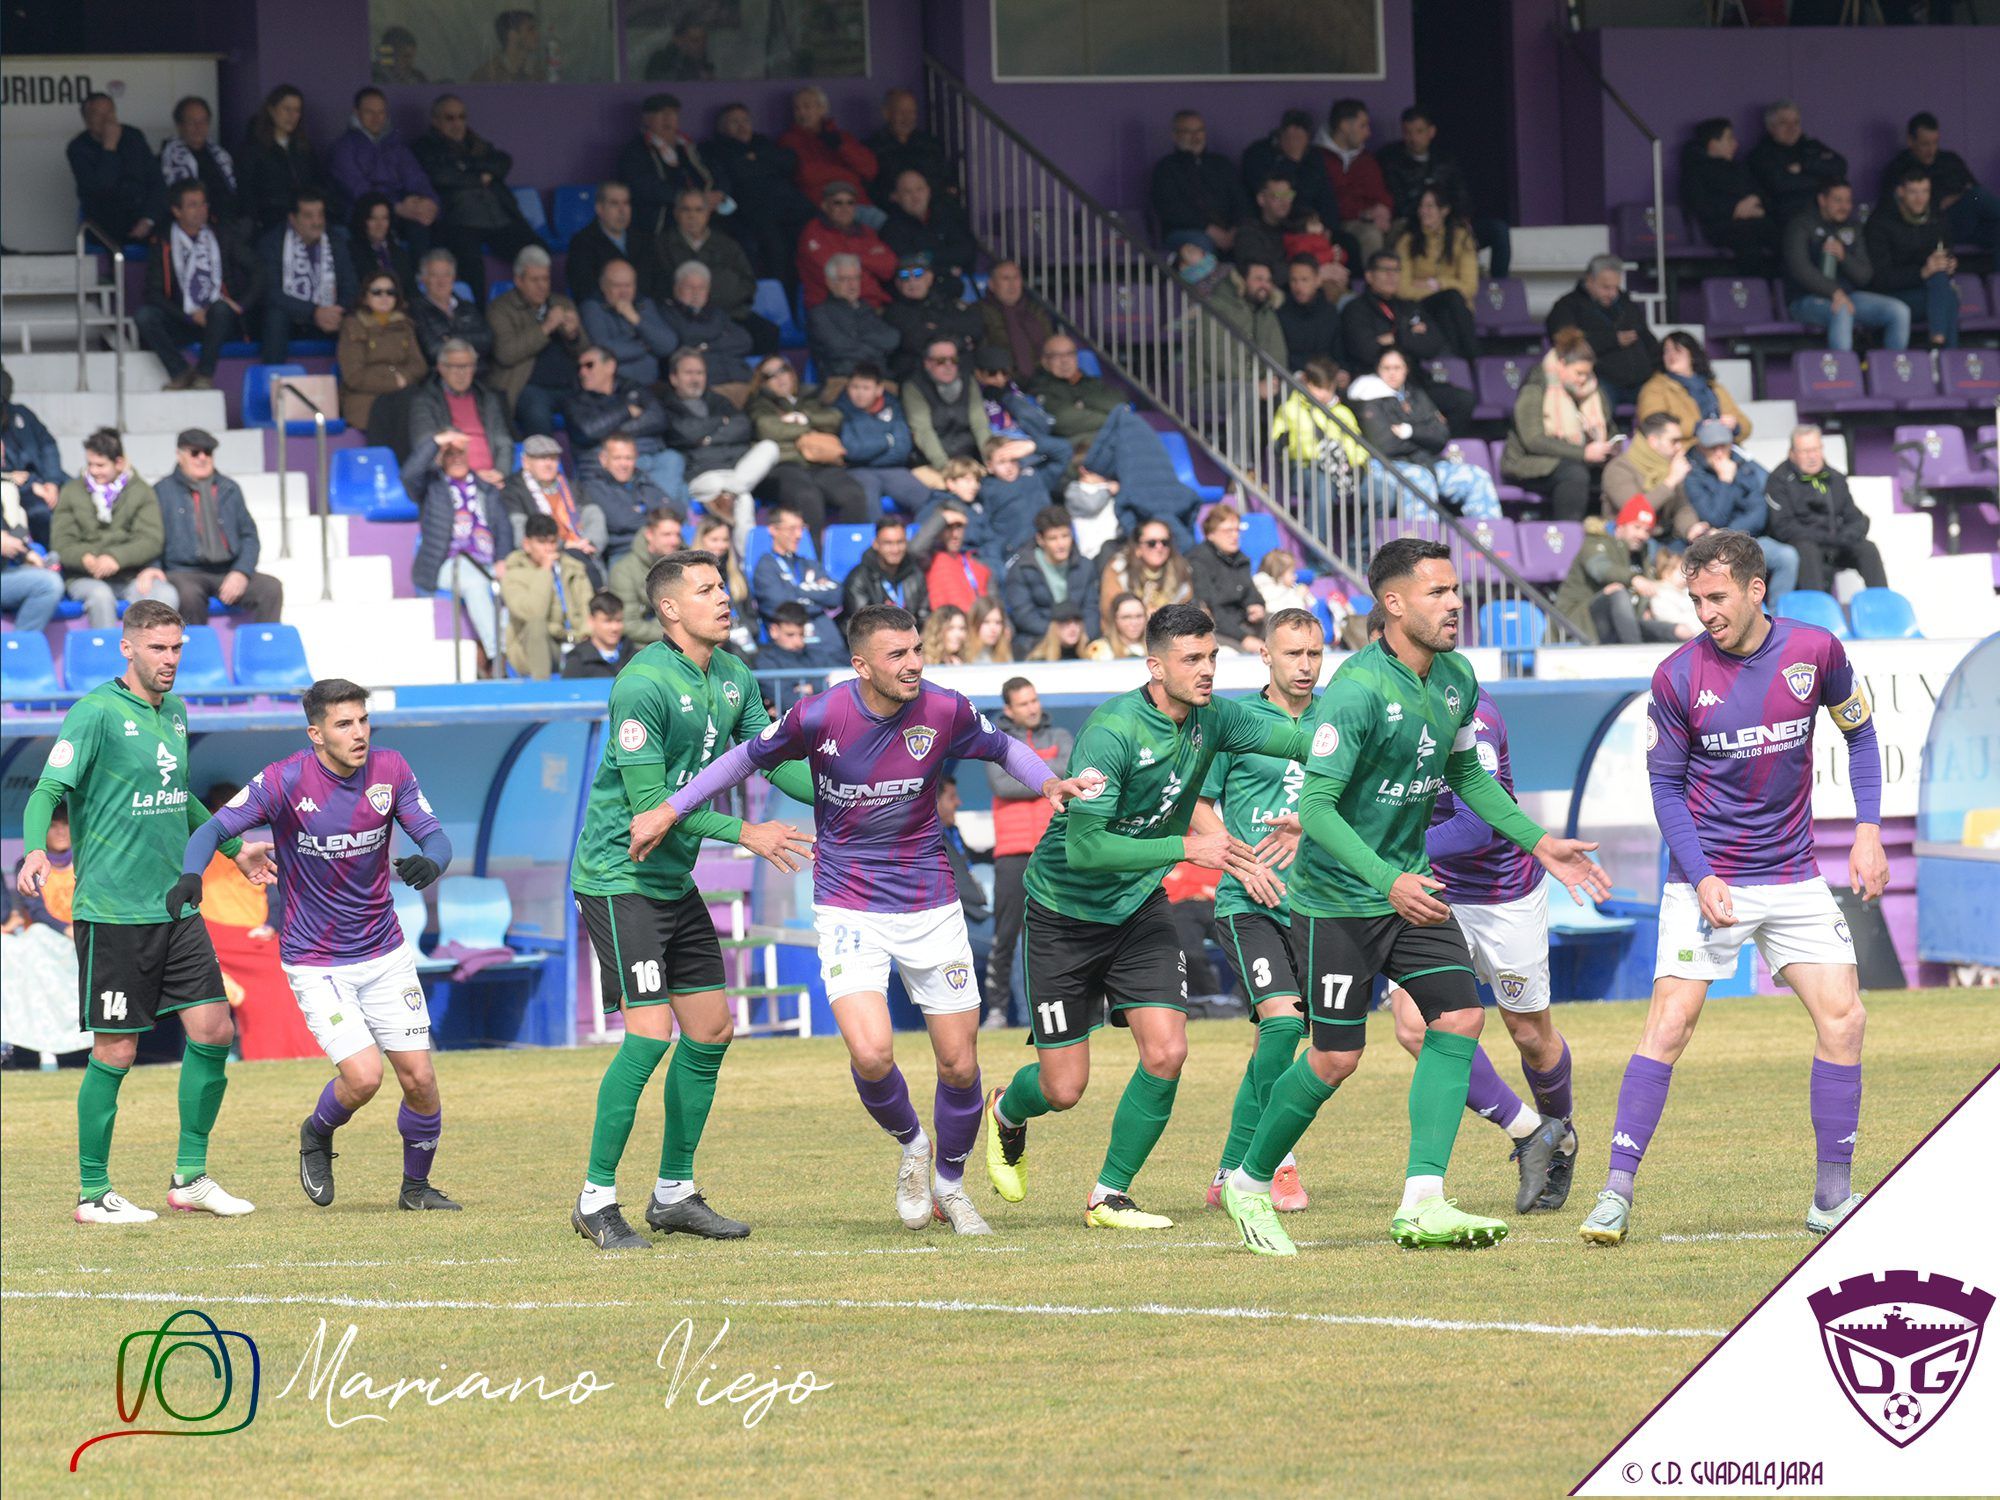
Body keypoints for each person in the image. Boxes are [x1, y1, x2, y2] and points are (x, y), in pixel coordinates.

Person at [1219, 538, 1608, 1257]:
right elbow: (1321, 810)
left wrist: (1536, 840)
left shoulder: (1458, 677)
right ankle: (1246, 1182)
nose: (1455, 603)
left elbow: (1470, 775)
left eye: (1454, 590)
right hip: (1338, 900)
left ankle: (1423, 1201)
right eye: (1436, 592)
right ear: (1393, 604)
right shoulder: (1358, 689)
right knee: (1335, 1058)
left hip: (1408, 893)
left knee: (1459, 1017)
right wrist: (1386, 879)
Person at [662, 604, 1088, 1233]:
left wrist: (1049, 780)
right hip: (847, 902)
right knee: (870, 1052)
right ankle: (914, 1145)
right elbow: (741, 760)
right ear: (861, 665)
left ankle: (950, 1183)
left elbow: (1003, 749)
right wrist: (670, 809)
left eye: (917, 649)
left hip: (931, 903)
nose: (913, 663)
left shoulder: (943, 709)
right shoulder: (819, 714)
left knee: (960, 1065)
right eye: (897, 654)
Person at [1580, 529, 1884, 1246]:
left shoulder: (1817, 652)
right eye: (1695, 599)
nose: (1704, 611)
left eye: (1716, 597)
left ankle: (1831, 1198)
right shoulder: (1678, 675)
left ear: (1756, 590)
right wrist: (1705, 873)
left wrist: (1868, 829)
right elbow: (1664, 785)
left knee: (1845, 1020)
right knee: (1670, 1025)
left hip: (1794, 874)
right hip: (1706, 879)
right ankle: (1614, 1195)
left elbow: (1861, 735)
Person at [983, 602, 1315, 1230]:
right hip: (1063, 914)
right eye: (1193, 659)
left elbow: (1299, 739)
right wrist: (1188, 846)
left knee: (1166, 1052)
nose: (1208, 669)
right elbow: (1085, 848)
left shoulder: (1215, 719)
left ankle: (1109, 1194)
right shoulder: (1111, 731)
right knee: (1063, 1088)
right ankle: (1004, 1110)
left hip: (1139, 910)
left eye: (1213, 656)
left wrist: (1370, 744)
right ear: (1154, 666)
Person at [566, 549, 816, 1248]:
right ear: (670, 608)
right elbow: (652, 808)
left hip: (672, 882)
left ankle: (674, 1192)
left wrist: (846, 781)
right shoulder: (640, 683)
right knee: (649, 1036)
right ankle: (594, 1199)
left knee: (710, 1029)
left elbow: (774, 761)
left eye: (724, 586)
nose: (724, 597)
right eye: (706, 589)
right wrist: (748, 833)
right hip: (620, 878)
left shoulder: (735, 675)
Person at [17, 600, 275, 1223]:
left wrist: (235, 849)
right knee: (116, 1053)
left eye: (178, 649)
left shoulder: (178, 713)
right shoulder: (96, 713)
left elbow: (176, 795)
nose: (170, 661)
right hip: (113, 912)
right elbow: (50, 788)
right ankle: (92, 1192)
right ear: (127, 648)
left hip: (175, 907)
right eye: (158, 649)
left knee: (214, 1031)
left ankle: (190, 1177)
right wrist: (32, 849)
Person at [180, 679, 457, 1211]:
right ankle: (316, 1132)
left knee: (420, 1078)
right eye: (344, 724)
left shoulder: (391, 769)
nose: (359, 734)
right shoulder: (283, 781)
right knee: (363, 1077)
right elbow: (208, 832)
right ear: (316, 734)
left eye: (363, 720)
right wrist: (193, 877)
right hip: (316, 960)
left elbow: (435, 836)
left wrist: (432, 861)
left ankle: (416, 1189)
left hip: (385, 951)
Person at [1383, 652, 1580, 1213]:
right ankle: (1527, 1133)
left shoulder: (1475, 716)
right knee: (1416, 1027)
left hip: (1502, 894)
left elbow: (1476, 822)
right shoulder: (1383, 711)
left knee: (1529, 1035)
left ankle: (1558, 1134)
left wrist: (1387, 851)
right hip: (1430, 893)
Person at [1198, 609, 1323, 1212]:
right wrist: (1238, 861)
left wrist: (1311, 829)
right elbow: (1198, 804)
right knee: (1281, 1023)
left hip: (1320, 903)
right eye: (1293, 654)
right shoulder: (1238, 721)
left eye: (1315, 654)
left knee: (1287, 1041)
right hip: (1248, 901)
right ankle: (1273, 1165)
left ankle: (1229, 1170)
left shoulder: (1335, 719)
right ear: (1266, 658)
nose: (1305, 666)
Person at [983, 679, 1070, 1027]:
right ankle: (998, 1010)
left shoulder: (1060, 736)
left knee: (1072, 929)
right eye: (1024, 704)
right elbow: (1001, 783)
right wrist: (1049, 778)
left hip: (1057, 851)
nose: (1032, 708)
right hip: (1013, 854)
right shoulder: (997, 742)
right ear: (1009, 710)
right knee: (1005, 936)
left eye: (1034, 700)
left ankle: (1089, 1004)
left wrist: (1027, 773)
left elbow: (1073, 770)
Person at [410, 94, 537, 304]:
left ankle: (537, 310)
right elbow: (441, 176)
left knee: (536, 250)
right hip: (458, 222)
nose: (457, 123)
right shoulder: (425, 146)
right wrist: (481, 175)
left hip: (499, 220)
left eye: (461, 117)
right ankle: (478, 317)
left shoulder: (476, 144)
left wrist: (467, 169)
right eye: (450, 118)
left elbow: (503, 161)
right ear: (435, 120)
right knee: (471, 264)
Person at [1349, 347, 1499, 524]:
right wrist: (1425, 437)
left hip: (1427, 463)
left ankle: (1487, 545)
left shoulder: (1416, 395)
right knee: (1421, 480)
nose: (1392, 373)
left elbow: (1441, 435)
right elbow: (1385, 445)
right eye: (1386, 368)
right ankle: (1422, 549)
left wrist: (1409, 432)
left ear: (1406, 369)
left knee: (1477, 477)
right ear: (1378, 369)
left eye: (1397, 368)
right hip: (1387, 466)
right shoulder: (1367, 397)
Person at [404, 426, 513, 666]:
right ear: (441, 458)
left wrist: (503, 558)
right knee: (475, 582)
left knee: (522, 582)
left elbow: (504, 528)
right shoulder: (431, 486)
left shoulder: (486, 488)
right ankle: (499, 656)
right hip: (447, 564)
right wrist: (437, 441)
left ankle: (524, 654)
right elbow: (409, 474)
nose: (456, 459)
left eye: (460, 454)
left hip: (488, 562)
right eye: (449, 454)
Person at [136, 181, 256, 392]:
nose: (201, 211)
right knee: (145, 316)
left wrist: (242, 305)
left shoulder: (221, 235)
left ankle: (203, 375)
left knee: (220, 309)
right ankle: (181, 372)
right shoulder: (163, 241)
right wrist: (190, 316)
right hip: (182, 319)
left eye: (203, 204)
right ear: (176, 211)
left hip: (218, 321)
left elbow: (259, 270)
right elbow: (153, 293)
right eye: (192, 205)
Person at [154, 429, 284, 623]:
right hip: (184, 571)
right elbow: (153, 536)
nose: (202, 458)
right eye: (195, 452)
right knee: (188, 595)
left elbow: (249, 536)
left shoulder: (229, 489)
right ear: (179, 455)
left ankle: (264, 649)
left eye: (208, 452)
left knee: (271, 588)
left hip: (227, 569)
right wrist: (153, 567)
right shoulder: (162, 491)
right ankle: (196, 652)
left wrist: (241, 572)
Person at [1337, 252, 1475, 431]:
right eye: (1385, 270)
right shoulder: (1355, 309)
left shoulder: (1408, 306)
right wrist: (1409, 335)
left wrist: (1394, 337)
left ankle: (1436, 447)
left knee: (1463, 400)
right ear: (1369, 276)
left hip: (1414, 383)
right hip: (1375, 382)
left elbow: (1433, 344)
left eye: (1396, 270)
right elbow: (1366, 350)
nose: (1391, 276)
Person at [52, 429, 178, 626]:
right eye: (90, 464)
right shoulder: (72, 491)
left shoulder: (141, 491)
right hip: (83, 576)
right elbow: (61, 542)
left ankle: (150, 655)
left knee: (165, 595)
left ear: (119, 463)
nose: (93, 471)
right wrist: (85, 558)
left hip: (131, 575)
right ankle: (109, 656)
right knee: (100, 596)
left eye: (100, 465)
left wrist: (116, 558)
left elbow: (151, 539)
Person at [1375, 105, 1510, 277]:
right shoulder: (1391, 160)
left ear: (1431, 132)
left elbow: (1462, 196)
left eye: (1419, 131)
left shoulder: (1445, 159)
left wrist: (1457, 218)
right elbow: (1399, 203)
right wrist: (1430, 215)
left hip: (1451, 223)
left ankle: (1499, 286)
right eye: (1407, 132)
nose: (1413, 138)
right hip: (1415, 226)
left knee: (1498, 230)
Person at [1501, 328, 1616, 523]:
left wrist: (1610, 447)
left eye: (1587, 374)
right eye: (1579, 373)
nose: (1583, 379)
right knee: (1574, 473)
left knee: (1618, 471)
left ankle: (1613, 538)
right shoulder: (1535, 387)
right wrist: (1583, 453)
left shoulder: (1592, 392)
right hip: (1530, 463)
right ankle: (1569, 534)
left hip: (1579, 460)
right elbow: (1533, 440)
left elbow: (1609, 427)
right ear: (1562, 364)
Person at [746, 356, 869, 536]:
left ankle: (852, 557)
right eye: (770, 375)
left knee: (854, 494)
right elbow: (768, 429)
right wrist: (809, 428)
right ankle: (814, 561)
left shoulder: (810, 397)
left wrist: (801, 419)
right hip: (783, 466)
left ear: (792, 374)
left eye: (783, 370)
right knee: (808, 498)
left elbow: (834, 419)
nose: (780, 378)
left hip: (819, 464)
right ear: (762, 382)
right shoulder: (759, 404)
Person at [1783, 181, 1907, 354]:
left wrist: (1844, 257)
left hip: (1848, 297)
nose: (1844, 206)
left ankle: (1894, 373)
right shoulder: (1802, 224)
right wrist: (1835, 293)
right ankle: (1845, 374)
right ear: (1822, 200)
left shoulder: (1853, 227)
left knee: (1899, 311)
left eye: (1848, 201)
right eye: (1837, 200)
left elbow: (1864, 275)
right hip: (1806, 300)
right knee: (1841, 310)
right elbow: (1800, 269)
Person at [1763, 426, 1888, 596]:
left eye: (1816, 449)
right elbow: (1783, 527)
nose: (1812, 456)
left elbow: (1856, 518)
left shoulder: (1835, 478)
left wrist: (1843, 537)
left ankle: (1883, 608)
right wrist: (1826, 538)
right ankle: (1817, 613)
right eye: (1805, 451)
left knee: (1867, 549)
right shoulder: (1779, 480)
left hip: (1836, 542)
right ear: (1792, 453)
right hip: (1804, 544)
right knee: (1808, 550)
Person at [662, 350, 779, 531]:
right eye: (689, 373)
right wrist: (721, 422)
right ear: (674, 378)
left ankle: (731, 493)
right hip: (702, 475)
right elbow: (684, 433)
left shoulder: (718, 401)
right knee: (744, 498)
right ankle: (733, 494)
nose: (695, 378)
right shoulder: (667, 406)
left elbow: (743, 427)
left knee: (770, 447)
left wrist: (706, 438)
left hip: (735, 471)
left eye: (700, 373)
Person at [1684, 419, 1798, 600]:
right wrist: (1725, 482)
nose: (1720, 453)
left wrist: (1729, 533)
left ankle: (1779, 619)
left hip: (1745, 538)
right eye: (1712, 448)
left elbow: (1759, 512)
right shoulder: (1693, 476)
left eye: (1724, 446)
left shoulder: (1743, 468)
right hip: (1713, 547)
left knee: (1787, 556)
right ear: (1701, 448)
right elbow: (1714, 517)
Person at [704, 102, 814, 285]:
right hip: (753, 210)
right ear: (721, 128)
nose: (742, 126)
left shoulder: (762, 142)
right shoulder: (714, 149)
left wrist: (758, 158)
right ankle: (783, 304)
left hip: (789, 204)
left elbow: (789, 162)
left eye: (745, 120)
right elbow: (737, 172)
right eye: (734, 122)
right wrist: (759, 161)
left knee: (816, 231)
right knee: (776, 248)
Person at [657, 188, 774, 352]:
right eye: (686, 209)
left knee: (766, 332)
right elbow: (662, 287)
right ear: (676, 213)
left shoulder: (726, 244)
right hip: (684, 318)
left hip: (729, 313)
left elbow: (748, 283)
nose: (692, 216)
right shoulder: (663, 245)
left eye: (699, 210)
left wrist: (718, 298)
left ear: (708, 213)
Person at [1552, 497, 1681, 645]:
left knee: (1679, 630)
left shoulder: (1642, 554)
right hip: (1578, 621)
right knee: (1616, 592)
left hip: (1626, 624)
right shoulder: (1595, 542)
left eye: (1647, 531)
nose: (1642, 535)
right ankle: (1634, 653)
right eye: (1637, 527)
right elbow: (1600, 569)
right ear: (1621, 526)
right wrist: (1634, 579)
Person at [490, 246, 586, 438]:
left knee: (594, 413)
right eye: (535, 280)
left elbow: (585, 351)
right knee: (537, 413)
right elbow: (506, 354)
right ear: (519, 281)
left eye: (546, 279)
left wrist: (573, 335)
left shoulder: (562, 303)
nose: (542, 286)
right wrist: (546, 327)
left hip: (569, 385)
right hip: (528, 388)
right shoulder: (500, 309)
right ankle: (543, 466)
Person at [326, 88, 438, 253]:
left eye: (381, 112)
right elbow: (358, 190)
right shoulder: (344, 147)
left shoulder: (396, 145)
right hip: (362, 214)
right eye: (369, 112)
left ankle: (419, 278)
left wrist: (430, 203)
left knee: (422, 226)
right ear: (356, 113)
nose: (376, 118)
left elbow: (416, 178)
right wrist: (395, 207)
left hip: (401, 211)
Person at [564, 346, 682, 499]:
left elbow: (659, 419)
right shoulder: (575, 400)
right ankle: (655, 517)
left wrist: (608, 429)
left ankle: (659, 516)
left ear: (610, 366)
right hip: (605, 465)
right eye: (579, 367)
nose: (582, 372)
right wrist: (626, 411)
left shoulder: (632, 388)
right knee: (680, 491)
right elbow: (587, 431)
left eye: (589, 365)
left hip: (649, 456)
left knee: (673, 459)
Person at [1545, 255, 1660, 413]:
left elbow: (1648, 340)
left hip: (1641, 382)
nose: (1613, 293)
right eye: (1606, 287)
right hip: (1598, 381)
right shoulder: (1567, 307)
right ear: (1589, 280)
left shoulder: (1626, 305)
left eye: (1616, 287)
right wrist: (1613, 340)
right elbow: (1568, 346)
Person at [1877, 111, 1999, 258]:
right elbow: (1894, 207)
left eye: (1935, 142)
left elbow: (1974, 191)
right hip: (1932, 226)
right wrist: (1941, 203)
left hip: (1969, 220)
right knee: (1978, 196)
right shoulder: (1899, 168)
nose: (1931, 150)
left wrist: (1957, 198)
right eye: (1925, 144)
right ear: (1910, 141)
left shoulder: (1950, 160)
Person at [1864, 166, 1960, 350]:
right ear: (1901, 192)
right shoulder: (1880, 222)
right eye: (1913, 192)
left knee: (1943, 283)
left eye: (1925, 191)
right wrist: (1923, 272)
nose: (1920, 198)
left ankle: (1938, 344)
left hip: (1927, 292)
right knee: (1949, 297)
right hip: (1888, 296)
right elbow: (1881, 279)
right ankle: (1944, 353)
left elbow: (1947, 250)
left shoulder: (1936, 218)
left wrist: (1950, 263)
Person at [257, 190, 356, 364]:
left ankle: (356, 384)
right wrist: (313, 312)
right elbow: (270, 293)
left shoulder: (336, 241)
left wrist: (338, 310)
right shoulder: (272, 243)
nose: (317, 222)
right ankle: (273, 378)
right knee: (275, 316)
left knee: (358, 317)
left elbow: (350, 285)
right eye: (309, 216)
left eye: (320, 215)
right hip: (292, 317)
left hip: (330, 316)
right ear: (293, 219)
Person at [616, 94, 723, 241]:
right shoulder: (635, 151)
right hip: (662, 223)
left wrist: (719, 195)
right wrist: (686, 199)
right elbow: (645, 187)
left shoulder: (690, 146)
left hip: (706, 218)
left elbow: (718, 173)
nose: (667, 119)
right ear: (646, 119)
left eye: (672, 114)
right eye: (661, 113)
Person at [1681, 119, 1779, 275]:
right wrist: (1734, 210)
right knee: (1748, 240)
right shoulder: (1695, 172)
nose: (1735, 144)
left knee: (1788, 236)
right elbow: (1700, 207)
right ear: (1713, 143)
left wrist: (1756, 203)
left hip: (1759, 222)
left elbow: (1763, 195)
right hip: (1722, 228)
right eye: (1729, 139)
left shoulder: (1740, 168)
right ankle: (1756, 294)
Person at [1391, 188, 1479, 361]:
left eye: (1430, 206)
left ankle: (1457, 365)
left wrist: (1436, 284)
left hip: (1454, 310)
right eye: (1421, 206)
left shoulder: (1461, 238)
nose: (1423, 211)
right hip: (1421, 306)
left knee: (1449, 306)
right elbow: (1402, 289)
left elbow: (1470, 287)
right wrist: (1444, 290)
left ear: (1444, 210)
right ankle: (1474, 359)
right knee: (1452, 297)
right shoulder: (1408, 241)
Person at [502, 433, 606, 578]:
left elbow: (593, 514)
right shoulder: (513, 490)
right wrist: (563, 546)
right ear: (526, 462)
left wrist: (590, 542)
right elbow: (520, 534)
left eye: (553, 458)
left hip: (584, 548)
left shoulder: (570, 485)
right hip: (545, 558)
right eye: (542, 458)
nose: (549, 464)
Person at [408, 339, 511, 484]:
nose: (461, 373)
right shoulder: (426, 401)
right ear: (441, 368)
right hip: (452, 482)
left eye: (467, 366)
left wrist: (500, 472)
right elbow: (425, 447)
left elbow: (503, 441)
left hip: (493, 480)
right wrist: (469, 477)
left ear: (474, 368)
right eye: (455, 367)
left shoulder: (486, 398)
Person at [501, 514, 592, 678]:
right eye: (542, 542)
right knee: (537, 625)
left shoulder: (574, 568)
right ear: (527, 545)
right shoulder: (513, 575)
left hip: (577, 642)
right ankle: (541, 691)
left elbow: (588, 604)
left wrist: (585, 632)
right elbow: (534, 613)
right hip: (536, 649)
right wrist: (544, 571)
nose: (549, 549)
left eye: (552, 542)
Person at [835, 363, 931, 513]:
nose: (859, 393)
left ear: (879, 389)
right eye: (854, 387)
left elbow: (902, 450)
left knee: (927, 499)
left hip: (894, 470)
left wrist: (867, 452)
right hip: (857, 471)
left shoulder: (894, 407)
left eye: (866, 388)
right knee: (867, 503)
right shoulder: (840, 410)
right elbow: (851, 451)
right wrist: (887, 441)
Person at [337, 271, 428, 429]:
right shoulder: (353, 325)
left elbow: (419, 365)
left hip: (402, 395)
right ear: (365, 297)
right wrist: (394, 381)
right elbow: (354, 376)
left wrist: (404, 378)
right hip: (365, 399)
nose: (384, 297)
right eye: (377, 292)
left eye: (390, 292)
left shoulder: (405, 324)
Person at [68, 92, 162, 244]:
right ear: (86, 119)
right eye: (98, 115)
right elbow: (101, 190)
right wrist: (109, 148)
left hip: (143, 216)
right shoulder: (78, 149)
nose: (107, 119)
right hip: (106, 220)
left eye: (110, 112)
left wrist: (148, 219)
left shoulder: (134, 137)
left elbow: (156, 182)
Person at [1636, 331, 1753, 453]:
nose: (1671, 355)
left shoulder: (1714, 387)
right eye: (1666, 351)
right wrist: (1698, 427)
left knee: (1760, 472)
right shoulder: (1654, 388)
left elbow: (1746, 425)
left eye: (1678, 350)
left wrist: (1735, 426)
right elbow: (1653, 424)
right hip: (1686, 452)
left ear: (1692, 354)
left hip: (1725, 448)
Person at [1148, 111, 1247, 254]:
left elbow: (1241, 201)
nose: (1195, 137)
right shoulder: (1166, 168)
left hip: (1228, 229)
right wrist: (1208, 229)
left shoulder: (1221, 164)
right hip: (1185, 233)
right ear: (1175, 136)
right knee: (1200, 242)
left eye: (1199, 130)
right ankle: (1210, 278)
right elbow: (1171, 209)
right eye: (1188, 132)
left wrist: (1235, 229)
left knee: (1250, 237)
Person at [779, 87, 881, 217]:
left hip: (858, 204)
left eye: (807, 107)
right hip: (823, 207)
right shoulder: (789, 141)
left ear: (823, 109)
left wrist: (842, 147)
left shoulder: (842, 137)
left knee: (891, 229)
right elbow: (806, 175)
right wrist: (847, 174)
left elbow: (870, 169)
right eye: (797, 108)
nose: (801, 113)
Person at [239, 84, 326, 236]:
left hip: (307, 220)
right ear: (271, 110)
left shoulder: (304, 147)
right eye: (286, 109)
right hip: (271, 223)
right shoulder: (253, 149)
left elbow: (318, 182)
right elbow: (247, 192)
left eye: (297, 110)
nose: (292, 115)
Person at [1312, 99, 1392, 260]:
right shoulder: (1316, 158)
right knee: (1370, 235)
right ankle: (1375, 284)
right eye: (1362, 126)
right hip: (1339, 223)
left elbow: (1382, 194)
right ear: (1344, 126)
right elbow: (1329, 203)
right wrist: (1363, 213)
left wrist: (1384, 210)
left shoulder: (1366, 159)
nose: (1368, 133)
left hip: (1372, 221)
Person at [798, 179, 897, 310]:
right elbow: (835, 277)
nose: (844, 208)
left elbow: (889, 266)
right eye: (837, 203)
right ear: (824, 206)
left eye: (850, 203)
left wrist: (856, 259)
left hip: (871, 306)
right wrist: (868, 262)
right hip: (830, 308)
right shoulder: (813, 231)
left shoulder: (864, 231)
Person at [1601, 412, 1699, 544]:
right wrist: (1670, 481)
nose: (1679, 447)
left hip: (1666, 537)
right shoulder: (1619, 468)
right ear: (1653, 441)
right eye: (1674, 441)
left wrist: (1692, 529)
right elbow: (1635, 512)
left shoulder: (1668, 467)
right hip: (1628, 543)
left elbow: (1682, 507)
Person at [1003, 505, 1097, 641]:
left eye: (1065, 536)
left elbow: (1091, 609)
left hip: (1079, 638)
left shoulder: (1085, 566)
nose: (1061, 544)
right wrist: (1057, 635)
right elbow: (1023, 615)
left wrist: (1082, 635)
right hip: (1040, 640)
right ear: (1041, 540)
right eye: (1053, 538)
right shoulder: (1023, 568)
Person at [1747, 100, 1848, 227]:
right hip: (1786, 221)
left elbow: (1840, 166)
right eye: (1784, 123)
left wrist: (1804, 166)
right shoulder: (1761, 155)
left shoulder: (1811, 146)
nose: (1792, 128)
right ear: (1771, 127)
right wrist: (1824, 179)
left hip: (1826, 218)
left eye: (1796, 122)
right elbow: (1781, 185)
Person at [581, 259, 678, 389]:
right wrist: (646, 346)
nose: (624, 292)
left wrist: (636, 320)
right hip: (615, 389)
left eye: (628, 285)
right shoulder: (593, 307)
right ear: (603, 286)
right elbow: (603, 351)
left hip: (651, 386)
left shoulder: (644, 304)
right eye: (617, 286)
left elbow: (668, 345)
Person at [661, 262, 754, 395]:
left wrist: (706, 346)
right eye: (689, 287)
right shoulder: (668, 313)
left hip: (741, 378)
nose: (696, 293)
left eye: (702, 288)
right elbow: (686, 339)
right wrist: (720, 336)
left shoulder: (716, 313)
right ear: (676, 288)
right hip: (709, 388)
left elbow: (744, 341)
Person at [881, 172, 977, 301]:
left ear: (928, 191)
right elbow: (908, 264)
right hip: (915, 299)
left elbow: (966, 250)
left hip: (955, 291)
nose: (915, 196)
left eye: (919, 189)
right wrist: (947, 269)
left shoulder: (945, 216)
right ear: (896, 197)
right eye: (907, 192)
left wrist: (929, 256)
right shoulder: (891, 228)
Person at [885, 257, 984, 382]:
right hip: (916, 375)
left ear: (929, 278)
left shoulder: (943, 301)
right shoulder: (894, 312)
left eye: (918, 274)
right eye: (904, 276)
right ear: (898, 284)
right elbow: (915, 341)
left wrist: (939, 327)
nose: (912, 281)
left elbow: (974, 327)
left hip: (958, 375)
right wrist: (960, 340)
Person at [751, 505, 841, 641]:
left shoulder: (809, 564)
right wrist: (815, 597)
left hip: (827, 640)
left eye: (802, 528)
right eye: (792, 529)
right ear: (773, 529)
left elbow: (836, 596)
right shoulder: (766, 567)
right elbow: (779, 607)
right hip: (792, 644)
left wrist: (797, 591)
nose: (799, 535)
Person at [809, 253, 903, 382]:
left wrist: (857, 338)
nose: (852, 285)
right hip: (843, 381)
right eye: (845, 279)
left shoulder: (865, 308)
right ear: (830, 282)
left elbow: (892, 338)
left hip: (879, 379)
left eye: (856, 278)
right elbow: (838, 348)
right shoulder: (820, 314)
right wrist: (876, 350)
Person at [1187, 503, 1267, 651]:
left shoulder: (1241, 559)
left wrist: (1256, 605)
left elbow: (1251, 592)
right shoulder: (1199, 561)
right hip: (1218, 629)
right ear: (1210, 534)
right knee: (1239, 654)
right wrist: (1244, 638)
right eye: (1228, 531)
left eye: (1237, 530)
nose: (1235, 535)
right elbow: (1212, 609)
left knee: (1281, 626)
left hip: (1244, 621)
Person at [905, 340, 995, 471]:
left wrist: (991, 459)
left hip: (970, 456)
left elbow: (980, 424)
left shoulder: (968, 381)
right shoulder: (914, 387)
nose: (948, 365)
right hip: (933, 462)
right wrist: (946, 468)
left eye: (954, 359)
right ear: (927, 364)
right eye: (941, 360)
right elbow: (923, 432)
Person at [584, 435, 674, 562]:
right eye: (617, 458)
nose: (623, 464)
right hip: (625, 553)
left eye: (628, 458)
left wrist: (638, 513)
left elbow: (676, 509)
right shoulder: (595, 486)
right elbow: (622, 521)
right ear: (603, 459)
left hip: (661, 549)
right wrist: (657, 517)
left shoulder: (642, 480)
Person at [3, 370, 69, 543]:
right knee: (40, 514)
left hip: (44, 479)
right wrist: (31, 485)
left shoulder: (21, 414)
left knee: (79, 493)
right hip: (15, 489)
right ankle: (48, 559)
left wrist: (52, 482)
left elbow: (48, 445)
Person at [610, 505, 688, 648]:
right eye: (667, 534)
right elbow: (630, 624)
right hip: (645, 648)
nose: (674, 541)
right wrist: (678, 634)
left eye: (677, 534)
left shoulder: (687, 564)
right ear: (649, 534)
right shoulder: (624, 571)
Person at [567, 181, 657, 303]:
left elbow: (653, 282)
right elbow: (585, 290)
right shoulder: (582, 242)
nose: (622, 210)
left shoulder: (643, 238)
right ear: (600, 208)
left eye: (626, 203)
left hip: (644, 309)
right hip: (605, 313)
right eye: (614, 204)